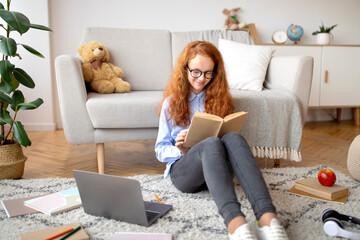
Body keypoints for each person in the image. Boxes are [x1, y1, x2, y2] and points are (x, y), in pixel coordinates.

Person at [155, 41, 289, 240]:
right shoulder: (171, 103)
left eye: (209, 73)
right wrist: (182, 150)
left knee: (232, 136)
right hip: (185, 173)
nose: (202, 78)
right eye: (196, 72)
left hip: (216, 171)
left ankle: (267, 218)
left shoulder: (219, 99)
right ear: (185, 69)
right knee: (209, 143)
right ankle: (236, 224)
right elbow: (160, 150)